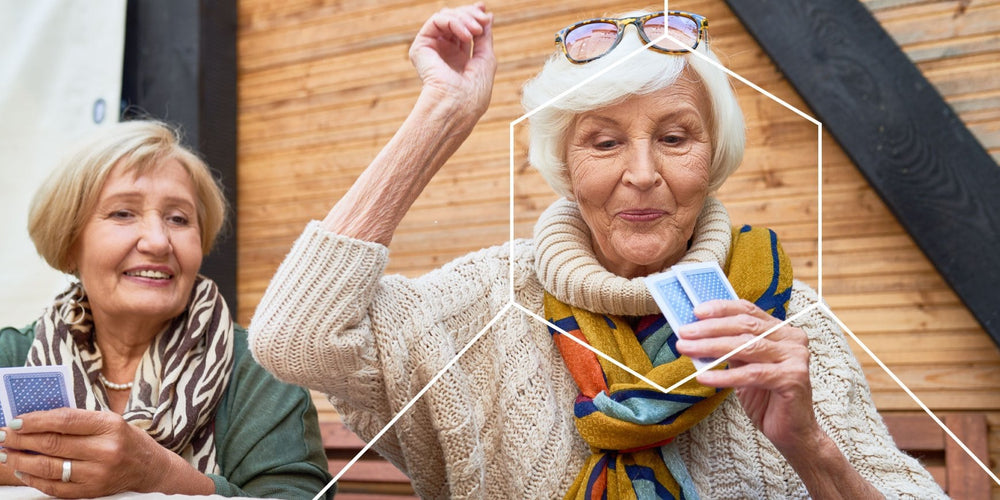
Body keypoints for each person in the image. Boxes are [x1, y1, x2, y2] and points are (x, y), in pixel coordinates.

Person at [249, 4, 945, 499]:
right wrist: (442, 115)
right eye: (604, 141)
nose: (641, 173)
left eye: (674, 137)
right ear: (565, 165)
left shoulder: (787, 319)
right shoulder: (487, 300)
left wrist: (811, 447)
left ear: (715, 157)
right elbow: (294, 339)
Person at [0, 120, 332, 498]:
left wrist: (159, 476)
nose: (158, 242)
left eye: (178, 219)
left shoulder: (259, 370)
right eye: (123, 213)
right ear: (70, 241)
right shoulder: (12, 355)